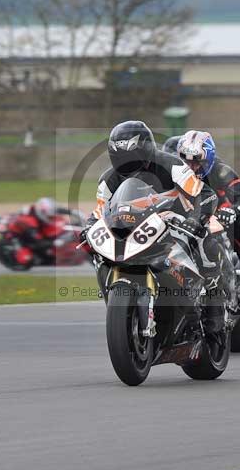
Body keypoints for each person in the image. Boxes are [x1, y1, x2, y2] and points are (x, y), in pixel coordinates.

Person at [84, 120, 231, 331]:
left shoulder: (172, 165)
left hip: (178, 220)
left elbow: (203, 194)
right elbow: (101, 210)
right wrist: (90, 226)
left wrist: (194, 220)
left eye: (132, 159)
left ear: (146, 150)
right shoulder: (108, 179)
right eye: (120, 159)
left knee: (206, 236)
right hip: (137, 226)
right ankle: (120, 302)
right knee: (99, 253)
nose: (127, 166)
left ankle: (215, 304)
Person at [176, 130, 240, 303]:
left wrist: (233, 211)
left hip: (218, 216)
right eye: (186, 161)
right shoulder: (175, 172)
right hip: (186, 218)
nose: (191, 167)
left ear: (208, 159)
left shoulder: (221, 171)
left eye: (197, 161)